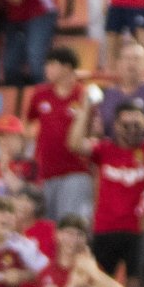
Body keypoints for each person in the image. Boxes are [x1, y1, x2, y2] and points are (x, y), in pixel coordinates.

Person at [69, 100, 144, 287]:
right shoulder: (104, 149)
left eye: (137, 125)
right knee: (98, 286)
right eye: (126, 125)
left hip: (138, 230)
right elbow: (74, 143)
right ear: (115, 125)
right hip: (105, 228)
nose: (132, 130)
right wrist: (87, 109)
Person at [24, 46, 91, 222]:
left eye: (52, 64)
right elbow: (28, 124)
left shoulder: (84, 95)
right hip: (46, 172)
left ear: (67, 68)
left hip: (75, 169)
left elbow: (95, 130)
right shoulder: (40, 94)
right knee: (45, 225)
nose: (47, 69)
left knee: (68, 223)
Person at [0, 0, 58, 86]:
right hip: (13, 17)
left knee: (35, 59)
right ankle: (19, 99)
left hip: (40, 10)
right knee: (9, 66)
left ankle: (46, 95)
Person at [0, 115, 37, 197]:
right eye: (0, 136)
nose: (3, 141)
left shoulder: (29, 165)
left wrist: (4, 170)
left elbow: (29, 196)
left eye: (10, 136)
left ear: (21, 140)